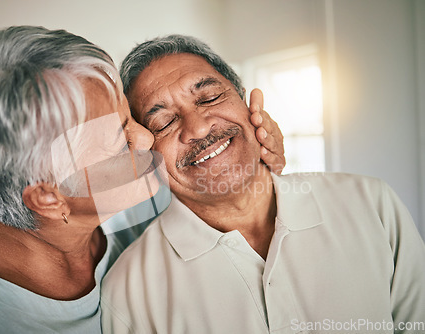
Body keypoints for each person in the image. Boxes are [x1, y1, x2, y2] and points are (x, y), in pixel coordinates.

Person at [0, 27, 284, 333]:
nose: (146, 138)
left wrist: (252, 162)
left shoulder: (94, 186)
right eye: (120, 140)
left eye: (129, 116)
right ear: (49, 199)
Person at [100, 34, 425, 333]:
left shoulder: (372, 204)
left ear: (248, 103)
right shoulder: (129, 292)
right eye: (164, 122)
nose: (198, 129)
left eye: (209, 97)